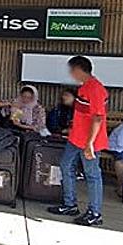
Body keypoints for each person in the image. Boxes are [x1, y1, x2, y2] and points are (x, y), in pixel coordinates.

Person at [48, 56, 109, 227]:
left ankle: (95, 213)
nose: (70, 74)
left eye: (71, 70)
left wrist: (90, 143)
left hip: (89, 142)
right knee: (66, 166)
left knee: (92, 175)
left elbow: (98, 118)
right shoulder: (84, 88)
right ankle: (70, 204)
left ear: (78, 69)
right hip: (76, 138)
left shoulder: (96, 89)